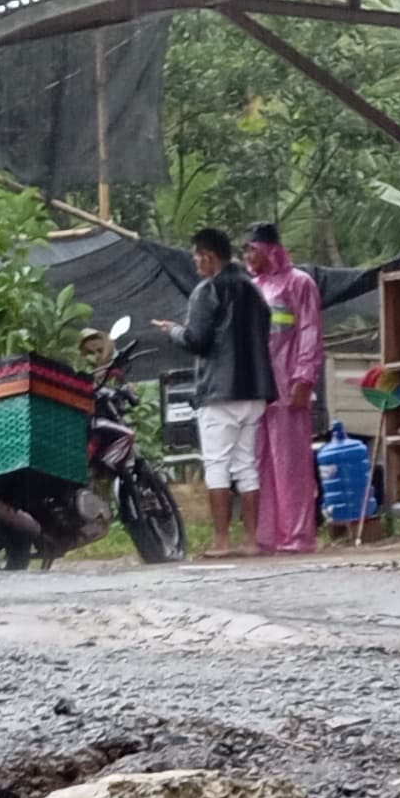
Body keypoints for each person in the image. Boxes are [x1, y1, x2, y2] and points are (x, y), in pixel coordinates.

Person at [157, 228, 271, 559]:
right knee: (246, 466)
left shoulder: (207, 290)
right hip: (254, 391)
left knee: (217, 465)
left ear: (209, 256)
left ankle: (222, 541)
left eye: (196, 258)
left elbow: (197, 339)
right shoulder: (254, 289)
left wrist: (172, 331)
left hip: (220, 392)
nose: (195, 265)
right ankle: (250, 540)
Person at [243, 224, 324, 556]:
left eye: (252, 249)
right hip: (257, 387)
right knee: (258, 461)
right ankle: (266, 536)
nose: (248, 257)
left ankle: (297, 535)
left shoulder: (299, 283)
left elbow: (309, 330)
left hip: (287, 383)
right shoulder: (251, 288)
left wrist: (304, 376)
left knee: (290, 464)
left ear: (269, 250)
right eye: (245, 250)